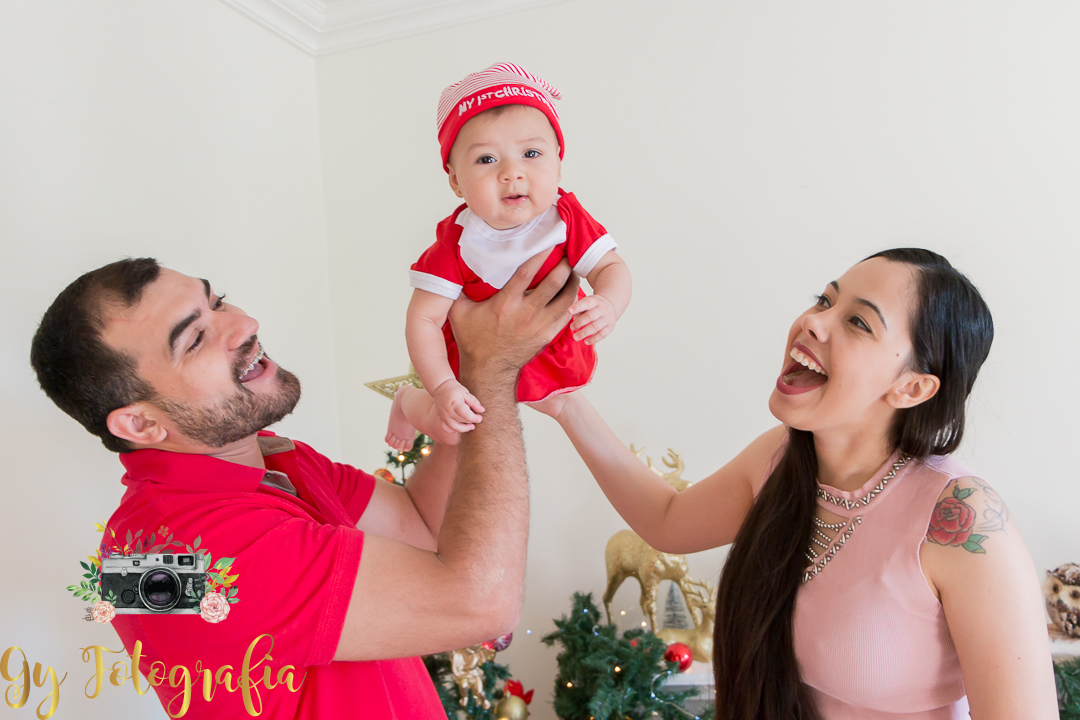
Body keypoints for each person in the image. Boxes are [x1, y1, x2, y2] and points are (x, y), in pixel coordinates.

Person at [30, 251, 579, 719]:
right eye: (195, 338)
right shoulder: (166, 554)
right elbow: (480, 602)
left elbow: (421, 528)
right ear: (142, 424)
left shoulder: (270, 458)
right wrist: (492, 373)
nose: (243, 324)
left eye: (217, 302)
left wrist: (455, 394)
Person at [534, 249, 1058, 719]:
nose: (814, 322)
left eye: (857, 322)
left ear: (912, 386)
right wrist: (564, 402)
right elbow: (668, 521)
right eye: (824, 300)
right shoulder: (780, 460)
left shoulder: (963, 521)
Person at [385, 62, 632, 451]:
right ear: (455, 181)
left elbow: (610, 267)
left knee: (553, 402)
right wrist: (443, 386)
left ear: (559, 163)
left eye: (531, 153)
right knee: (451, 430)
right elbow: (423, 319)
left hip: (550, 352)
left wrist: (609, 303)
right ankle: (406, 400)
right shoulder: (456, 242)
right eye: (487, 159)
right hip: (473, 366)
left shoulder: (566, 218)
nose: (512, 172)